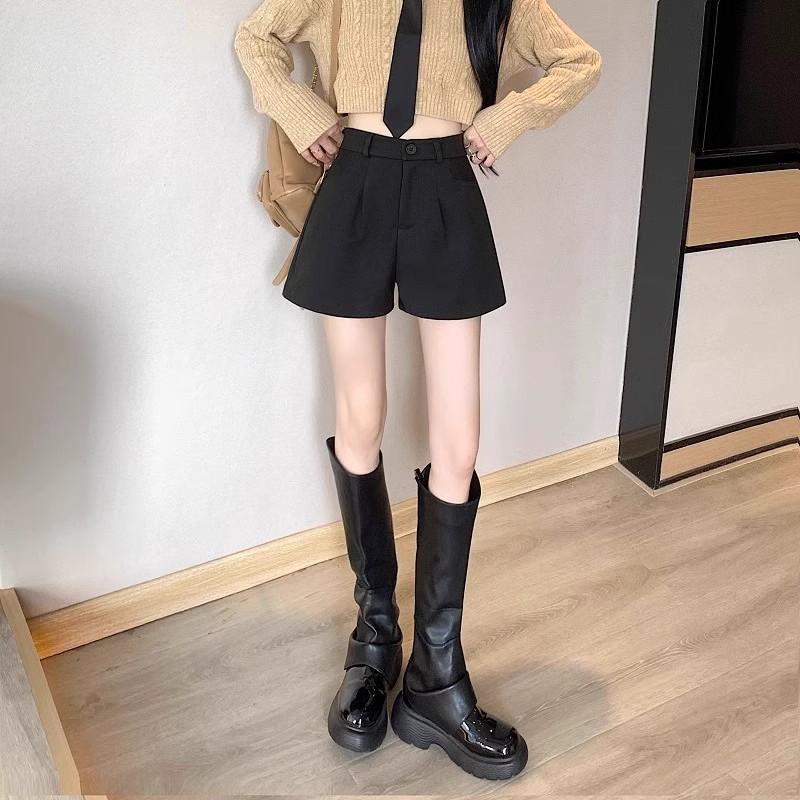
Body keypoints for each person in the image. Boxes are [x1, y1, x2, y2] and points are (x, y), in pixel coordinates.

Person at [234, 0, 601, 780]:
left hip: (445, 189)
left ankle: (436, 673)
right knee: (359, 419)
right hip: (354, 182)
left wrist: (507, 118)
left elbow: (580, 62)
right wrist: (303, 112)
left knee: (458, 445)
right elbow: (256, 36)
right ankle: (375, 639)